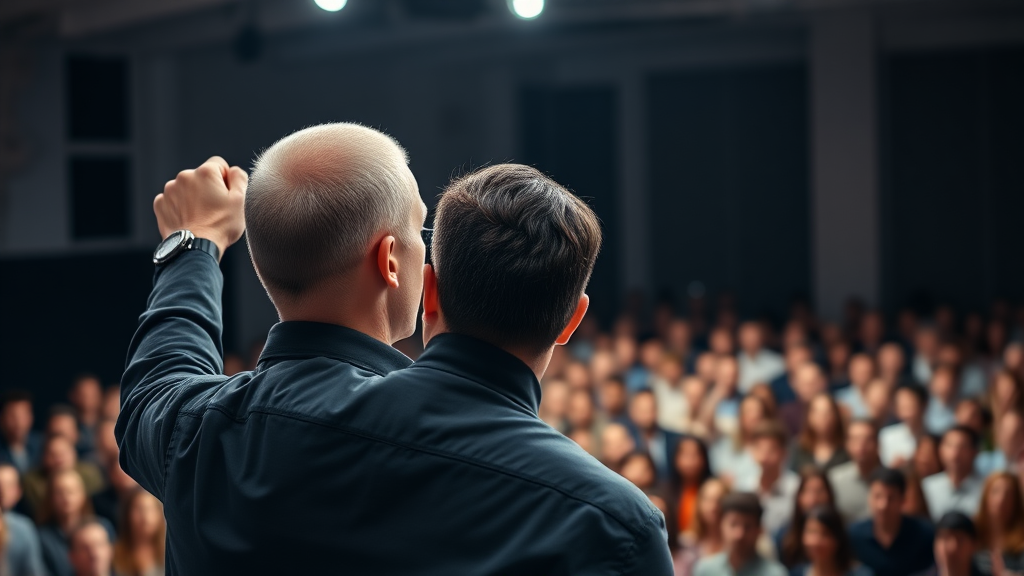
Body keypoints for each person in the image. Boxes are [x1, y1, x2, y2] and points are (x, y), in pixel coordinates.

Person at [119, 148, 673, 572]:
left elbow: (153, 389)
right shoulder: (610, 524)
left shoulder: (208, 435)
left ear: (431, 289)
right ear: (571, 321)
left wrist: (195, 244)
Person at [849, 468, 935, 576]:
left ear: (903, 500)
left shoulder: (925, 533)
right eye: (877, 496)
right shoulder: (853, 535)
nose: (883, 505)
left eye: (890, 498)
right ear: (868, 497)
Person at [38, 470, 114, 576]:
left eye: (71, 491)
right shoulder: (42, 537)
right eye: (59, 492)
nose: (66, 497)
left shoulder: (102, 526)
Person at [693, 492, 787, 576]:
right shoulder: (705, 570)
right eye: (733, 524)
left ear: (759, 530)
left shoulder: (776, 573)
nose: (739, 534)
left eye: (747, 527)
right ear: (721, 525)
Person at [734, 421, 800, 536]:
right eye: (760, 449)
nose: (764, 457)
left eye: (771, 451)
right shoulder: (743, 486)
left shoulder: (797, 487)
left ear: (784, 454)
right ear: (752, 452)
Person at [23, 436, 103, 517]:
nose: (59, 460)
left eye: (63, 453)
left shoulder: (90, 473)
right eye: (53, 455)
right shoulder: (32, 482)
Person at [776, 470, 836, 571]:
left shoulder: (843, 531)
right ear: (798, 496)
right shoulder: (783, 536)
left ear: (829, 494)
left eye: (820, 491)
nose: (813, 499)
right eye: (807, 491)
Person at [921, 426, 984, 521]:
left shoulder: (985, 489)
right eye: (949, 446)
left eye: (963, 447)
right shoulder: (926, 487)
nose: (955, 453)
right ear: (940, 450)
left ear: (975, 452)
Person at [829, 419, 883, 523]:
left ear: (878, 443)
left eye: (867, 439)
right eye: (855, 439)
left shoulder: (893, 480)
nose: (861, 445)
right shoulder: (834, 479)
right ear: (847, 444)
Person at [792, 506, 871, 576]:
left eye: (825, 534)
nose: (816, 541)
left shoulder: (861, 573)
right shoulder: (797, 573)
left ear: (838, 538)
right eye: (811, 532)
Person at [973, 472, 1024, 575]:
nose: (1002, 499)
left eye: (1009, 494)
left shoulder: (1021, 543)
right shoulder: (972, 534)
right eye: (996, 492)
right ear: (985, 496)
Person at [0, 464, 46, 576]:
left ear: (19, 491)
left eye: (8, 485)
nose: (2, 491)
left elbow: (33, 571)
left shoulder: (23, 528)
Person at [627, 390, 680, 482]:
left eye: (650, 409)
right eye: (642, 410)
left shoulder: (676, 441)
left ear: (657, 410)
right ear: (632, 412)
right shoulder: (627, 442)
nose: (647, 415)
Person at [792, 394, 850, 473]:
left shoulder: (848, 447)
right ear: (809, 416)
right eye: (817, 412)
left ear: (836, 416)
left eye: (827, 412)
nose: (822, 417)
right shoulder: (798, 447)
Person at [112, 489, 165, 576]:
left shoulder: (168, 550)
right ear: (127, 514)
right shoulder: (114, 553)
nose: (145, 516)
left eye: (150, 509)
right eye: (139, 509)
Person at [879, 384, 929, 467]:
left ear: (923, 404)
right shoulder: (887, 436)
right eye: (901, 403)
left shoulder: (933, 435)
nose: (905, 406)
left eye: (909, 401)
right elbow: (886, 467)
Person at [672, 436, 712, 534]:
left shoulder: (712, 489)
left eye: (695, 455)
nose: (690, 461)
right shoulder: (666, 490)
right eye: (685, 455)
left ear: (704, 458)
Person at [0, 391, 42, 475]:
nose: (18, 422)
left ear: (31, 417)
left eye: (23, 415)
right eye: (12, 416)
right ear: (2, 418)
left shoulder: (42, 444)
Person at [738, 322, 786, 394]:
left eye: (754, 337)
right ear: (740, 339)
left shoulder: (777, 362)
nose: (751, 341)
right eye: (747, 337)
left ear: (761, 338)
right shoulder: (735, 363)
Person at [68, 376, 103, 458]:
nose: (88, 398)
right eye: (83, 394)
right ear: (73, 395)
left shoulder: (108, 428)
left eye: (93, 395)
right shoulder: (68, 426)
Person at [835, 354, 876, 419]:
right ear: (850, 373)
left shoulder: (880, 397)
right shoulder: (840, 398)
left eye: (866, 372)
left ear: (873, 373)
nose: (863, 376)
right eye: (859, 372)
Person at [925, 365, 959, 436]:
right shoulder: (922, 405)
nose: (945, 385)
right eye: (940, 380)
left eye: (948, 380)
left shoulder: (963, 407)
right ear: (931, 384)